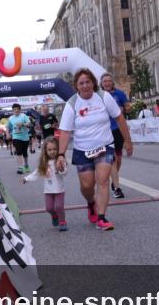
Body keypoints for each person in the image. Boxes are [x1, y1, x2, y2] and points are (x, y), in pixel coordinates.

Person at [56, 68, 132, 231]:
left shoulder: (104, 97)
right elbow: (65, 131)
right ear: (76, 86)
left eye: (88, 82)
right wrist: (61, 154)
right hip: (82, 149)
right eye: (81, 83)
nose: (85, 86)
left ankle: (102, 217)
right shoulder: (72, 103)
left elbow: (119, 117)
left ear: (93, 83)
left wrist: (127, 140)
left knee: (103, 180)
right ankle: (91, 203)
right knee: (87, 186)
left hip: (104, 145)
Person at [22, 136, 69, 231]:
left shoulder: (60, 161)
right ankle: (54, 216)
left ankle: (62, 221)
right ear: (46, 151)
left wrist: (61, 169)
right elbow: (36, 173)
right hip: (48, 190)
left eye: (55, 149)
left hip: (59, 189)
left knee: (58, 206)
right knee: (49, 208)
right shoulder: (44, 163)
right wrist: (26, 178)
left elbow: (64, 173)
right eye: (50, 150)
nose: (52, 151)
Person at [100, 73, 130, 199]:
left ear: (112, 82)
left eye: (109, 81)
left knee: (118, 159)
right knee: (112, 159)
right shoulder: (98, 96)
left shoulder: (119, 94)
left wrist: (124, 109)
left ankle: (114, 179)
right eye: (104, 81)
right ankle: (116, 186)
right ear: (101, 83)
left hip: (117, 128)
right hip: (105, 130)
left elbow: (127, 107)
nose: (107, 83)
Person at [7, 104, 32, 174]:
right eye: (15, 109)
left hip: (25, 138)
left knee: (25, 153)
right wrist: (7, 134)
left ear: (20, 110)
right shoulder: (10, 118)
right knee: (18, 151)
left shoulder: (24, 116)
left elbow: (29, 124)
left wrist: (23, 124)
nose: (16, 110)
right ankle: (20, 167)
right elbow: (7, 127)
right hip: (16, 137)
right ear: (13, 110)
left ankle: (26, 165)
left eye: (17, 109)